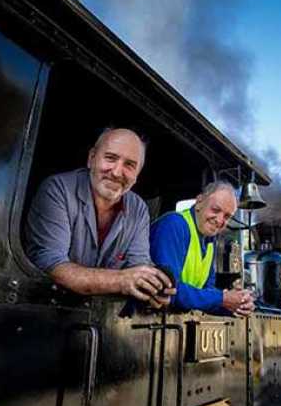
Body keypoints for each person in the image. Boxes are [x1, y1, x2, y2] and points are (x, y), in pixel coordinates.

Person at [25, 128, 175, 308]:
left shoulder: (139, 209)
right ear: (91, 159)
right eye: (110, 158)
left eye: (129, 165)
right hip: (45, 308)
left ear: (137, 175)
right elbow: (51, 264)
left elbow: (138, 263)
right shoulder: (57, 190)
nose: (117, 172)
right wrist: (121, 280)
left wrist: (154, 288)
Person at [149, 181, 255, 316]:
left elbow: (207, 294)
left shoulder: (210, 242)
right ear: (199, 202)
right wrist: (222, 298)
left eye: (227, 216)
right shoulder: (174, 224)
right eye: (215, 210)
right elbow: (169, 289)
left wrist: (235, 306)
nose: (220, 220)